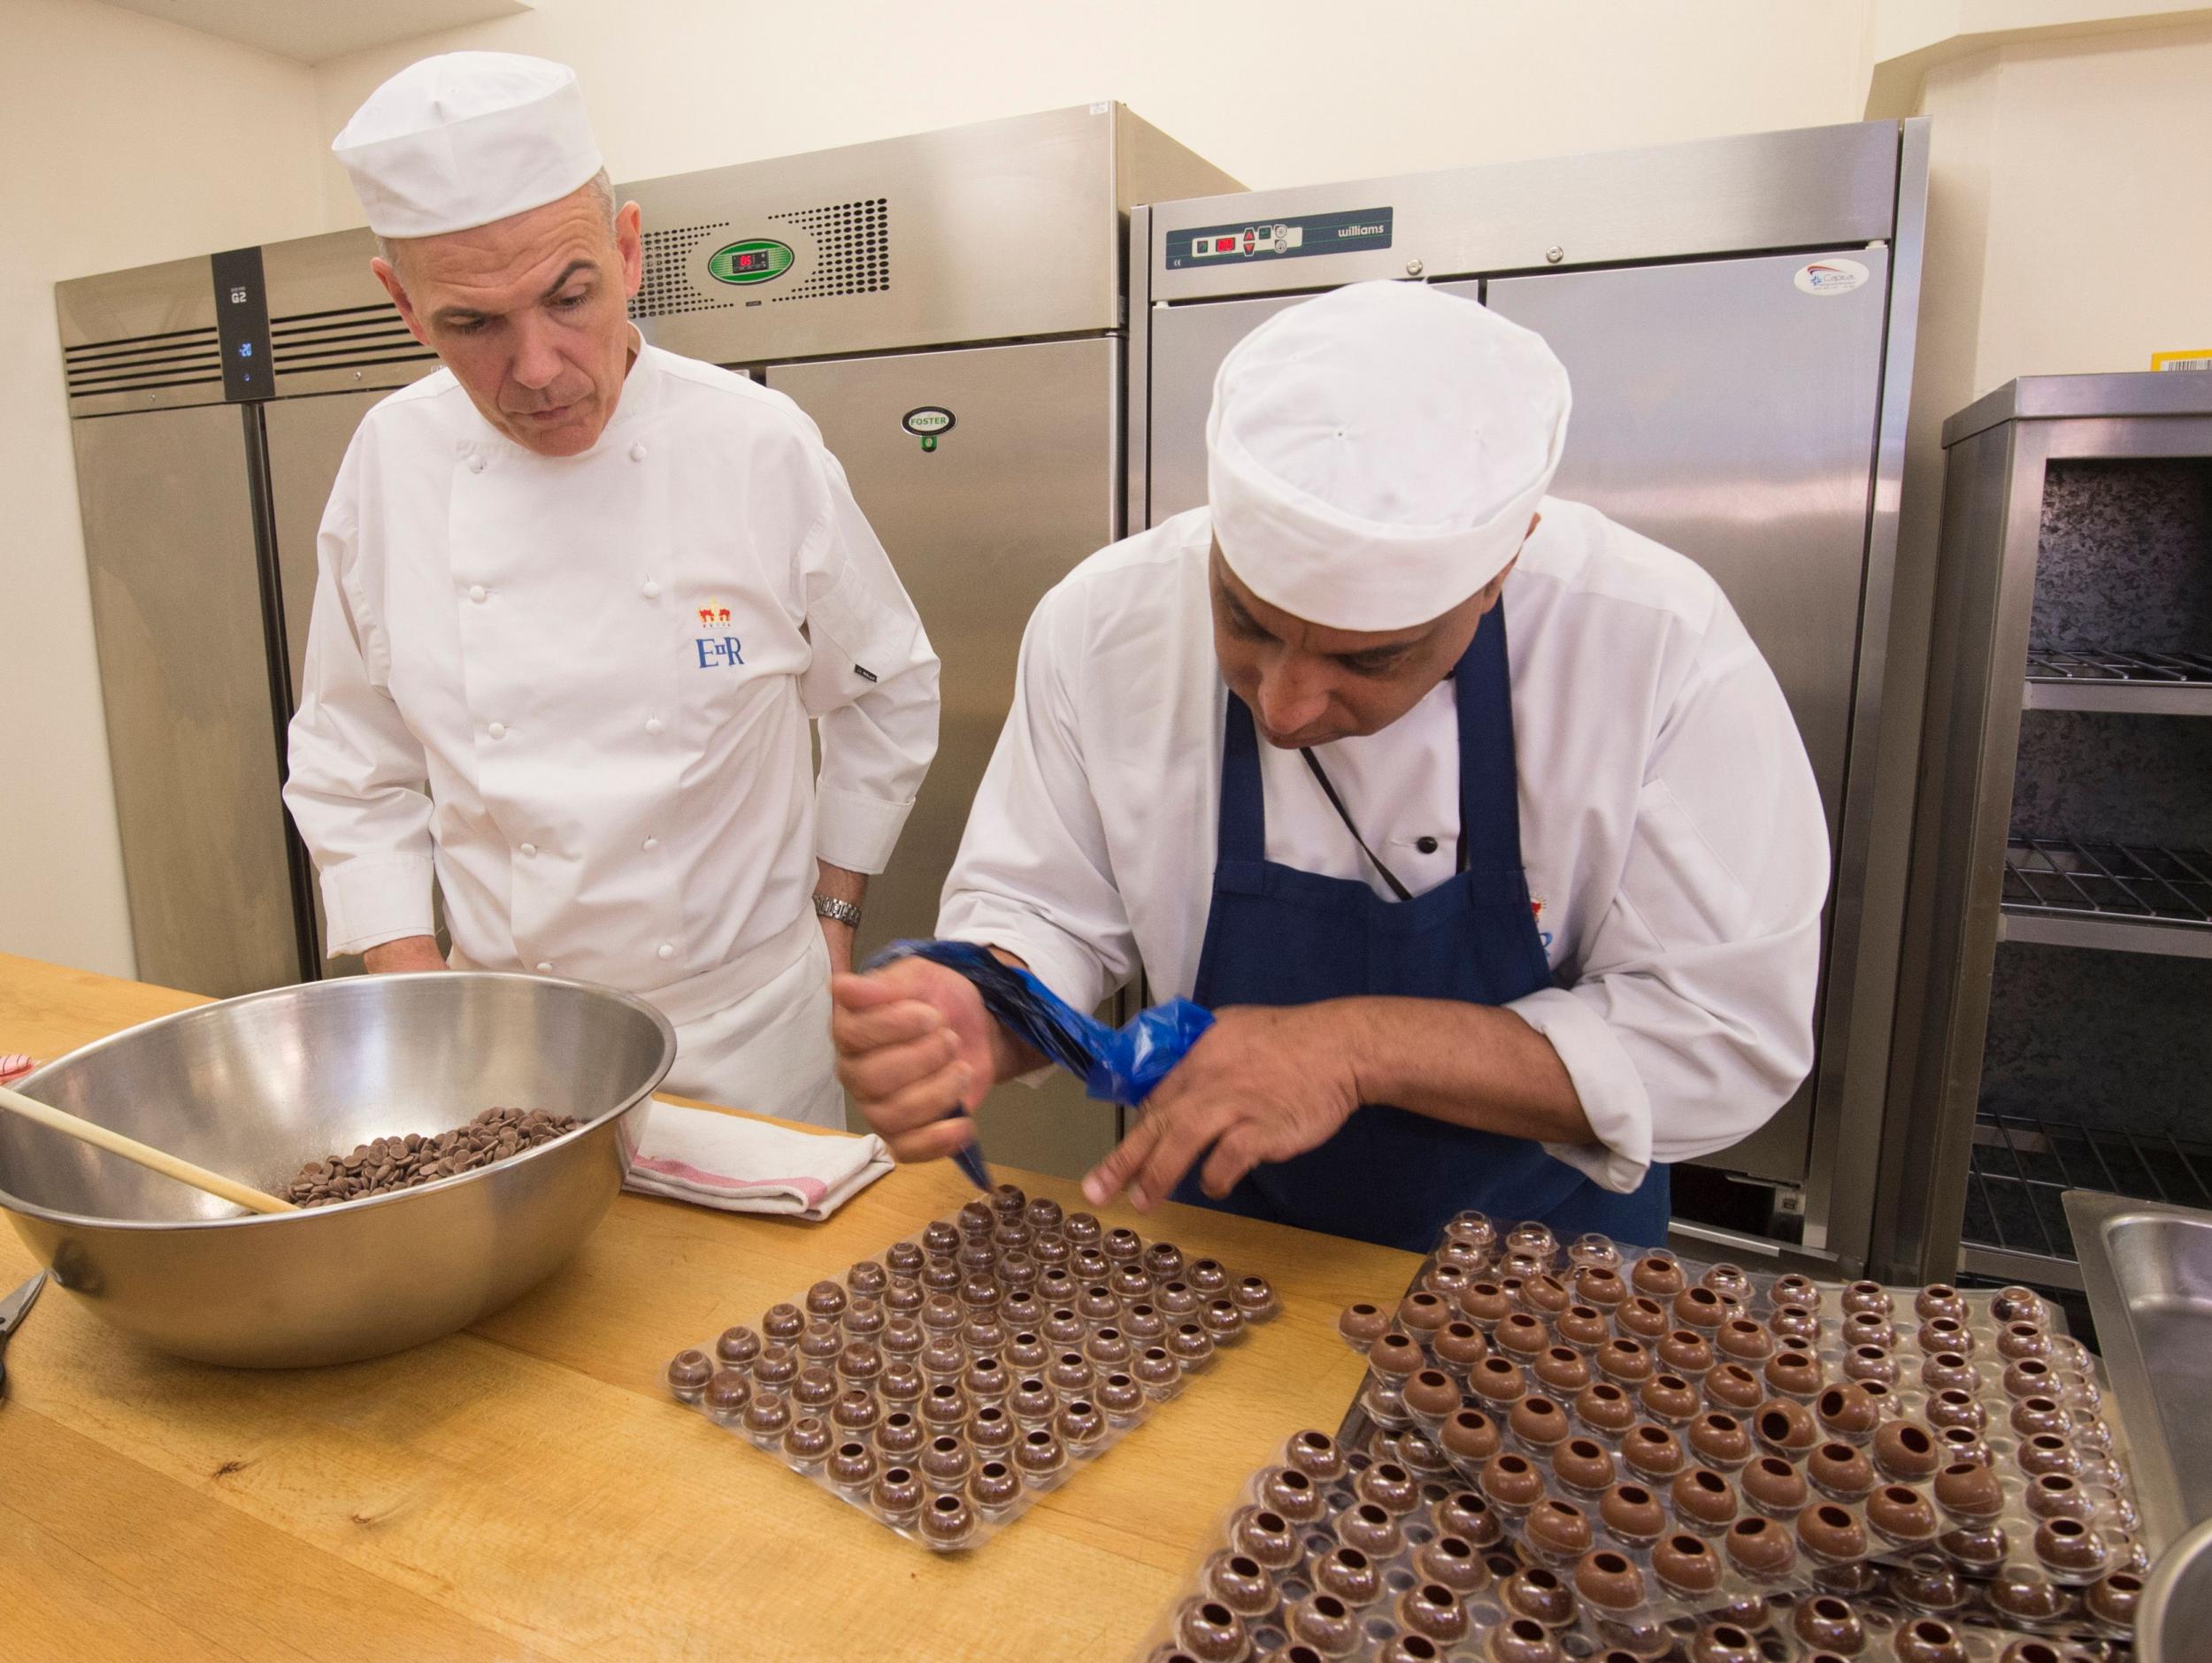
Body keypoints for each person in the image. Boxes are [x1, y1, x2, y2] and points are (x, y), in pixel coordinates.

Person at [829, 280, 1827, 1249]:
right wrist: (984, 1005)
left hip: (1543, 1283)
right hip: (1228, 1256)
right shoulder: (1105, 623)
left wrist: (1353, 1048)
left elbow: (1722, 1034)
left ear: (1501, 567)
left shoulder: (1652, 643)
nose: (1284, 705)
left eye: (1371, 656)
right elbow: (1040, 908)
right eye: (1244, 620)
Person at [286, 53, 938, 1125]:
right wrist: (416, 986)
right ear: (403, 305)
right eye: (473, 325)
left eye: (568, 296)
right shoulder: (389, 461)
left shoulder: (755, 445)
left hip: (748, 1036)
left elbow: (889, 685)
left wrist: (834, 909)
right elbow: (352, 762)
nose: (537, 367)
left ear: (628, 252)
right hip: (509, 1050)